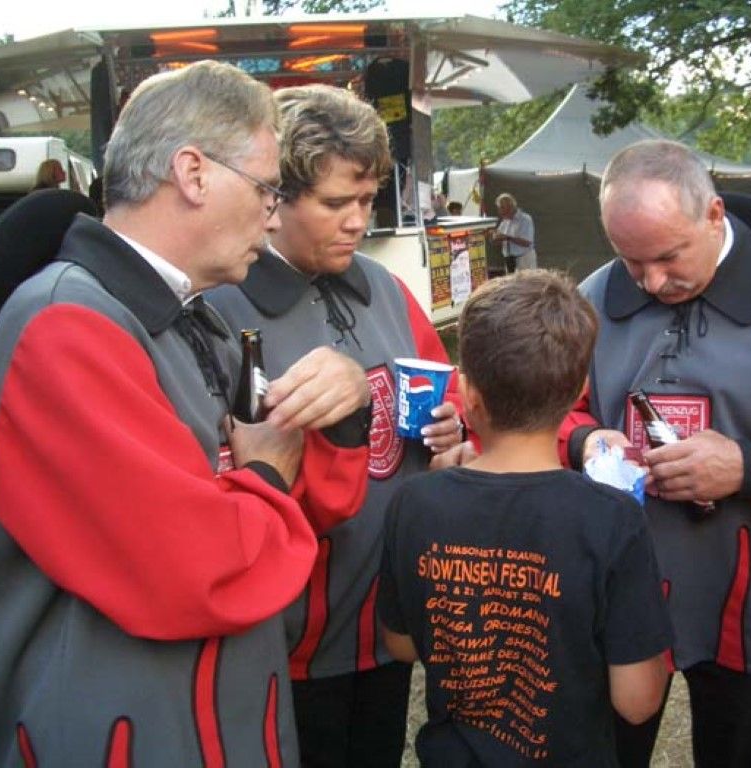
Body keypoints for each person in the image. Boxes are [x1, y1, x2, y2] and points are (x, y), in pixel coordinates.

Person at [0, 61, 370, 765]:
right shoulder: (65, 325)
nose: (275, 215)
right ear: (192, 173)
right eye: (266, 188)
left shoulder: (195, 319)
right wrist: (269, 472)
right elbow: (195, 571)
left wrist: (341, 405)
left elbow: (306, 512)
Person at [559, 138, 751, 767]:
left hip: (745, 586)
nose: (651, 281)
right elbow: (549, 408)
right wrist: (585, 440)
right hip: (622, 579)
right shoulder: (591, 299)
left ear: (713, 214)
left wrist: (748, 467)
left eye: (668, 256)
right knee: (608, 750)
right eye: (631, 260)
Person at [208, 83, 470, 768]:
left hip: (388, 616)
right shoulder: (223, 307)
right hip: (290, 637)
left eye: (367, 200)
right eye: (334, 204)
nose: (356, 221)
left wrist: (452, 428)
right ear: (273, 200)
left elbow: (443, 387)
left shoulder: (382, 286)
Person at [378, 269, 673, 766]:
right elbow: (638, 700)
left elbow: (402, 645)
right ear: (578, 389)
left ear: (468, 393)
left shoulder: (414, 502)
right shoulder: (612, 519)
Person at [491, 192, 536, 272]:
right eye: (499, 208)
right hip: (509, 260)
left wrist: (507, 237)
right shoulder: (505, 221)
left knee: (526, 280)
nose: (499, 211)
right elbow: (499, 240)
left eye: (502, 208)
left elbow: (527, 242)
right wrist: (494, 237)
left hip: (524, 260)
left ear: (510, 206)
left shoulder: (525, 219)